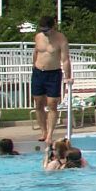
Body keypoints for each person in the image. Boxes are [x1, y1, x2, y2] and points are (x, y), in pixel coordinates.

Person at [31, 16, 71, 145]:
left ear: (52, 27)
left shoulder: (61, 38)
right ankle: (43, 131)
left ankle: (50, 134)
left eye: (46, 30)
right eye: (42, 30)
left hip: (53, 73)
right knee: (38, 103)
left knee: (52, 103)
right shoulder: (38, 37)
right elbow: (36, 53)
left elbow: (65, 59)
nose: (44, 33)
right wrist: (34, 67)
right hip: (38, 73)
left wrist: (67, 76)